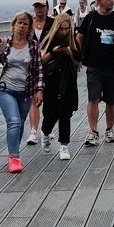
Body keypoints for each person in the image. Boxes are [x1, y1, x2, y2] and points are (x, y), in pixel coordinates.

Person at [0, 12, 44, 173]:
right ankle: (14, 157)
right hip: (6, 88)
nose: (22, 26)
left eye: (25, 23)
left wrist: (39, 90)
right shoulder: (4, 44)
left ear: (29, 28)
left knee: (20, 123)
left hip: (26, 91)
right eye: (19, 23)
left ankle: (14, 151)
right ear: (13, 25)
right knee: (14, 121)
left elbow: (38, 70)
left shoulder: (33, 46)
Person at [78, 0, 114, 145]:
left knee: (111, 100)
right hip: (94, 66)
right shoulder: (90, 18)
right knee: (93, 98)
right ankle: (93, 132)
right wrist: (77, 56)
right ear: (99, 1)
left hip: (112, 66)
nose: (111, 1)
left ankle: (109, 129)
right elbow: (79, 37)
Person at [39, 11, 81, 159]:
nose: (64, 32)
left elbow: (78, 63)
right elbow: (41, 60)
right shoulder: (49, 39)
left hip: (67, 82)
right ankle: (45, 132)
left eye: (67, 29)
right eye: (61, 29)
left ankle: (64, 145)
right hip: (51, 81)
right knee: (50, 114)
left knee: (65, 114)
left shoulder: (73, 41)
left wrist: (70, 53)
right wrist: (54, 52)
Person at [25, 0, 54, 144]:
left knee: (49, 99)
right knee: (33, 98)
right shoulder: (28, 23)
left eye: (42, 6)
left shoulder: (53, 23)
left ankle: (48, 128)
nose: (39, 9)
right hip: (32, 66)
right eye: (37, 6)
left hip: (50, 65)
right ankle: (33, 131)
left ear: (47, 8)